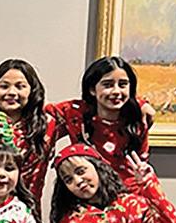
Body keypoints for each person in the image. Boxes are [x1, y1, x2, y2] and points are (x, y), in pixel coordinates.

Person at [46, 56, 151, 189]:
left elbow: (142, 171)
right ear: (92, 90)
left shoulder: (137, 119)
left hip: (128, 197)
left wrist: (141, 103)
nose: (116, 91)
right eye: (107, 85)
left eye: (123, 84)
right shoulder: (75, 113)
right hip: (86, 194)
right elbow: (39, 109)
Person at [0, 59, 58, 203]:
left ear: (32, 91)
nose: (11, 92)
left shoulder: (48, 123)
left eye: (20, 86)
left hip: (27, 215)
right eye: (4, 86)